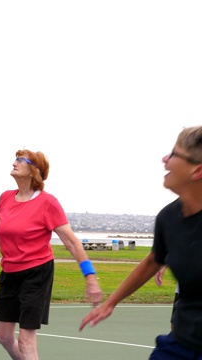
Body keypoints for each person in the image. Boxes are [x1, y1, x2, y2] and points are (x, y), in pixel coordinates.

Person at [80, 125, 202, 359]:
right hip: (182, 343)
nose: (165, 159)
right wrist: (111, 302)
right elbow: (153, 260)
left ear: (197, 171)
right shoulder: (169, 218)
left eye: (174, 154)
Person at [0, 150, 103, 360]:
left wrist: (90, 276)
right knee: (4, 336)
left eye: (20, 160)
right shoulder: (5, 198)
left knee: (25, 339)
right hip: (9, 272)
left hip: (36, 273)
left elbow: (71, 242)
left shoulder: (47, 203)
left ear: (33, 171)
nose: (14, 162)